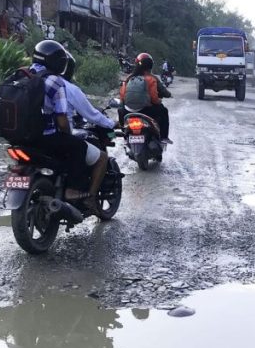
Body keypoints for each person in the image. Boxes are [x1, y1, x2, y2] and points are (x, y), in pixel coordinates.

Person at [29, 40, 112, 220]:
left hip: (22, 137)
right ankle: (80, 195)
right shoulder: (58, 83)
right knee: (84, 150)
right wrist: (67, 136)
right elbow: (67, 121)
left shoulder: (23, 74)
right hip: (47, 138)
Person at [119, 52, 172, 145]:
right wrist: (161, 100)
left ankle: (124, 135)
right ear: (150, 65)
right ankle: (164, 137)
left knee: (120, 111)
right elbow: (154, 98)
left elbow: (123, 96)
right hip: (146, 110)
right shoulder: (152, 78)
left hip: (128, 111)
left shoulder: (129, 78)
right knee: (164, 111)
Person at [62, 52, 117, 135]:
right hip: (63, 137)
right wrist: (111, 124)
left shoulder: (42, 82)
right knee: (92, 144)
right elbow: (92, 115)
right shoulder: (70, 89)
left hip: (41, 137)